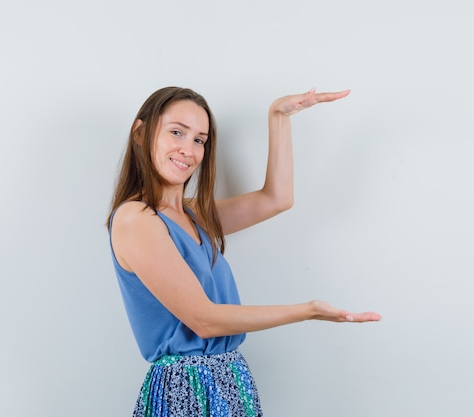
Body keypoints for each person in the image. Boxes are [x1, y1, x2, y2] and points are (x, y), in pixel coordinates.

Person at [107, 86, 381, 417]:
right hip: (185, 390)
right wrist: (307, 310)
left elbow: (276, 199)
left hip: (232, 380)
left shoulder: (195, 216)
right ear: (141, 133)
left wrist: (278, 116)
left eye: (199, 140)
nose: (188, 149)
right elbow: (204, 320)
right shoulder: (136, 220)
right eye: (176, 132)